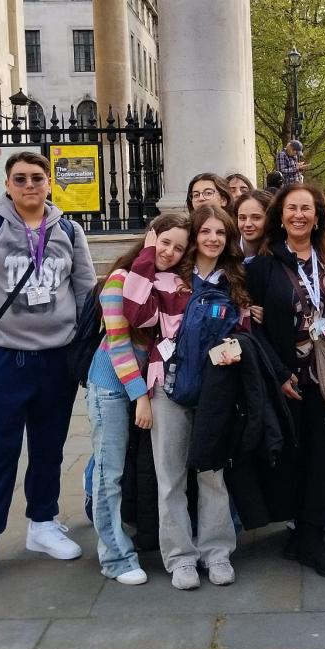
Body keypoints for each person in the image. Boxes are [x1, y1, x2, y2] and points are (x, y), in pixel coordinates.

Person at [0, 150, 97, 588]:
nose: (30, 185)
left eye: (37, 178)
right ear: (7, 185)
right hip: (3, 358)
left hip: (57, 359)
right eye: (21, 178)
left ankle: (42, 523)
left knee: (50, 447)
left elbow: (85, 293)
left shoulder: (69, 231)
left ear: (49, 183)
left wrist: (88, 349)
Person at [123, 206, 244, 589]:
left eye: (220, 232)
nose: (213, 238)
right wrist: (148, 254)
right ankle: (180, 558)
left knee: (212, 474)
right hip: (167, 386)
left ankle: (217, 552)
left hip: (216, 389)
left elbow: (245, 331)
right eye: (205, 231)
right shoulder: (168, 279)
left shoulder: (235, 280)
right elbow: (136, 315)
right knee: (170, 476)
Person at [246, 182, 325, 578]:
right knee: (291, 455)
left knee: (324, 455)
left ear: (318, 216)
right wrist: (279, 373)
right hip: (286, 376)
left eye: (306, 208)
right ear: (280, 216)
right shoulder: (262, 265)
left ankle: (313, 538)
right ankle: (297, 531)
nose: (299, 215)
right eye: (291, 208)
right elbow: (253, 327)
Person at [86, 214, 189, 585]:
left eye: (179, 248)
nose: (170, 252)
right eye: (165, 242)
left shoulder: (168, 283)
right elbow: (118, 344)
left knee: (122, 467)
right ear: (150, 238)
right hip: (113, 385)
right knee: (109, 472)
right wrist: (140, 397)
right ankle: (114, 557)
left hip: (144, 384)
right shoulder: (120, 278)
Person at [236, 188, 272, 262]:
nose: (247, 224)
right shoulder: (226, 249)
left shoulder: (279, 253)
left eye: (256, 218)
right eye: (242, 218)